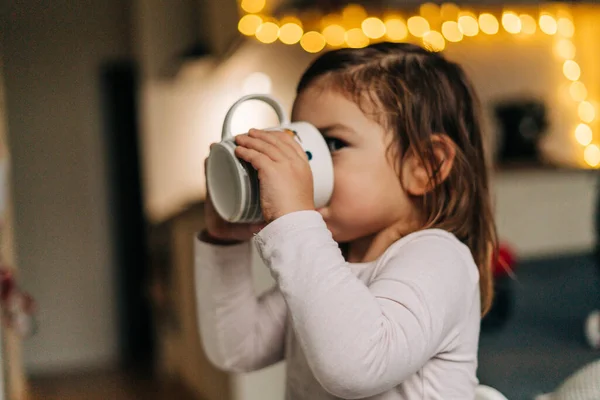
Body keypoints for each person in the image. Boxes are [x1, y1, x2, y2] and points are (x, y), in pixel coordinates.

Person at [195, 42, 497, 399]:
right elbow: (238, 347)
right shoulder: (331, 266)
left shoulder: (439, 259)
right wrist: (225, 241)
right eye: (300, 140)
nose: (305, 167)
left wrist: (295, 219)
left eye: (333, 144)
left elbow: (356, 367)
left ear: (425, 165)